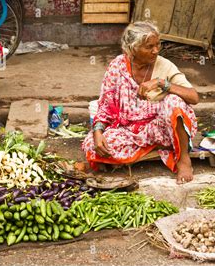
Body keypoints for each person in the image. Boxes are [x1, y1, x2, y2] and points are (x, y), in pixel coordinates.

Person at [82, 21, 199, 184]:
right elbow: (105, 106)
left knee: (174, 101)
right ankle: (159, 146)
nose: (156, 50)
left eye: (158, 45)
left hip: (163, 127)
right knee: (92, 144)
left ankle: (183, 158)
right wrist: (98, 132)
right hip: (129, 129)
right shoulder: (117, 66)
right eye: (149, 47)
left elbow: (194, 97)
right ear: (132, 49)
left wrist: (161, 83)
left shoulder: (164, 66)